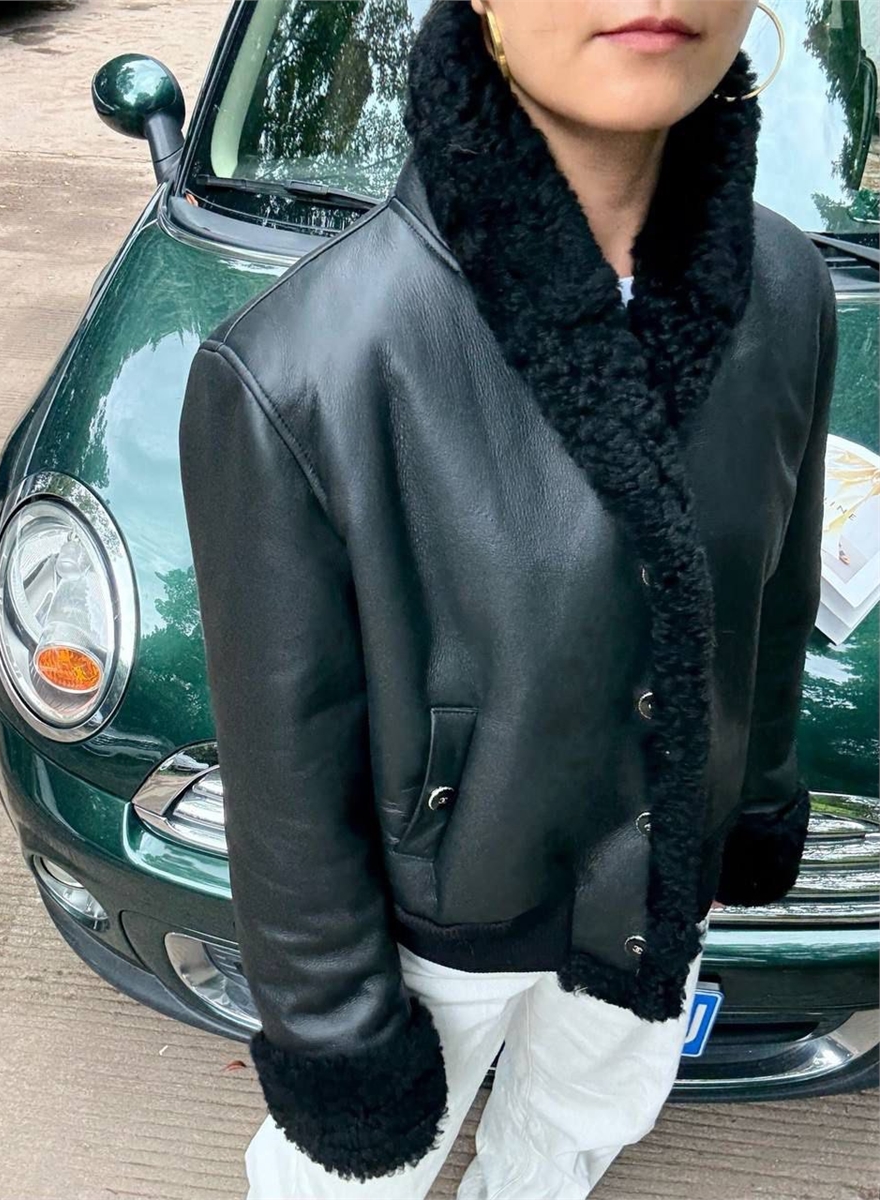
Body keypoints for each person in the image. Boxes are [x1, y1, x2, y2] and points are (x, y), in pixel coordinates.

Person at [177, 1, 838, 1197]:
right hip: (441, 926)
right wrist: (335, 1034)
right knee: (348, 1183)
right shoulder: (304, 367)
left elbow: (773, 602)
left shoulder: (785, 288)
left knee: (574, 1133)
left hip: (657, 886)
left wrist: (756, 798)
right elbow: (285, 778)